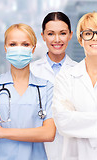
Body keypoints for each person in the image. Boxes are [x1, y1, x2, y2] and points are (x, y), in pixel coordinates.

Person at [0, 23, 56, 160]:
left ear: (33, 48)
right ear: (5, 49)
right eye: (13, 44)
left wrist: (2, 132)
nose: (19, 49)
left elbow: (49, 133)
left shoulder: (46, 87)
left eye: (25, 44)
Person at [52, 12, 97, 160]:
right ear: (80, 39)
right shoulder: (66, 78)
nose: (95, 38)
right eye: (88, 33)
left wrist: (80, 120)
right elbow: (63, 121)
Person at [31, 11, 78, 160]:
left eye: (62, 33)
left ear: (70, 35)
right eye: (51, 34)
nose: (57, 39)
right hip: (37, 147)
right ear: (43, 36)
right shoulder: (31, 71)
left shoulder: (80, 71)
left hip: (72, 147)